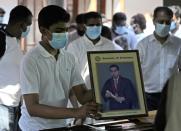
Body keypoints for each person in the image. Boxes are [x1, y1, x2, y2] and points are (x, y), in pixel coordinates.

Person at [18, 5, 98, 130]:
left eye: (66, 30)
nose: (65, 34)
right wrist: (76, 112)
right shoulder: (30, 60)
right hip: (35, 127)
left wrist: (104, 87)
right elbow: (33, 107)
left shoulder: (69, 58)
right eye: (59, 31)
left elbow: (82, 96)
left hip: (61, 125)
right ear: (44, 31)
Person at [136, 6, 181, 111]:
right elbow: (135, 72)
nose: (164, 25)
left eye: (167, 22)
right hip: (148, 97)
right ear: (154, 21)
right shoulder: (142, 45)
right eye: (161, 21)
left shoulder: (178, 44)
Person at [0, 5, 32, 131]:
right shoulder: (1, 39)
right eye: (28, 25)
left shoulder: (14, 40)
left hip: (15, 104)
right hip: (3, 105)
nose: (27, 28)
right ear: (21, 24)